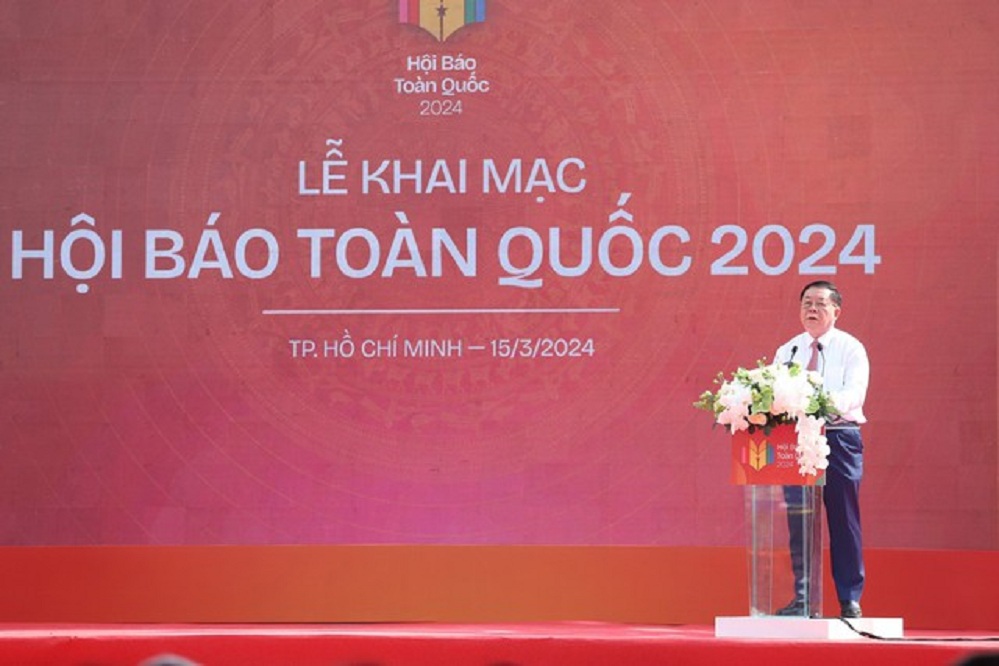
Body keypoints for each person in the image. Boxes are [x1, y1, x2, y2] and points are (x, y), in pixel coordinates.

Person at [773, 280, 869, 619]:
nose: (812, 309)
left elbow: (854, 394)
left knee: (843, 518)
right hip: (797, 440)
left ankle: (849, 598)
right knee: (800, 520)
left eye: (820, 303)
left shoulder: (850, 348)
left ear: (836, 311)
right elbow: (775, 392)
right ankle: (803, 599)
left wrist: (817, 404)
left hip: (839, 437)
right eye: (806, 303)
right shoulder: (789, 350)